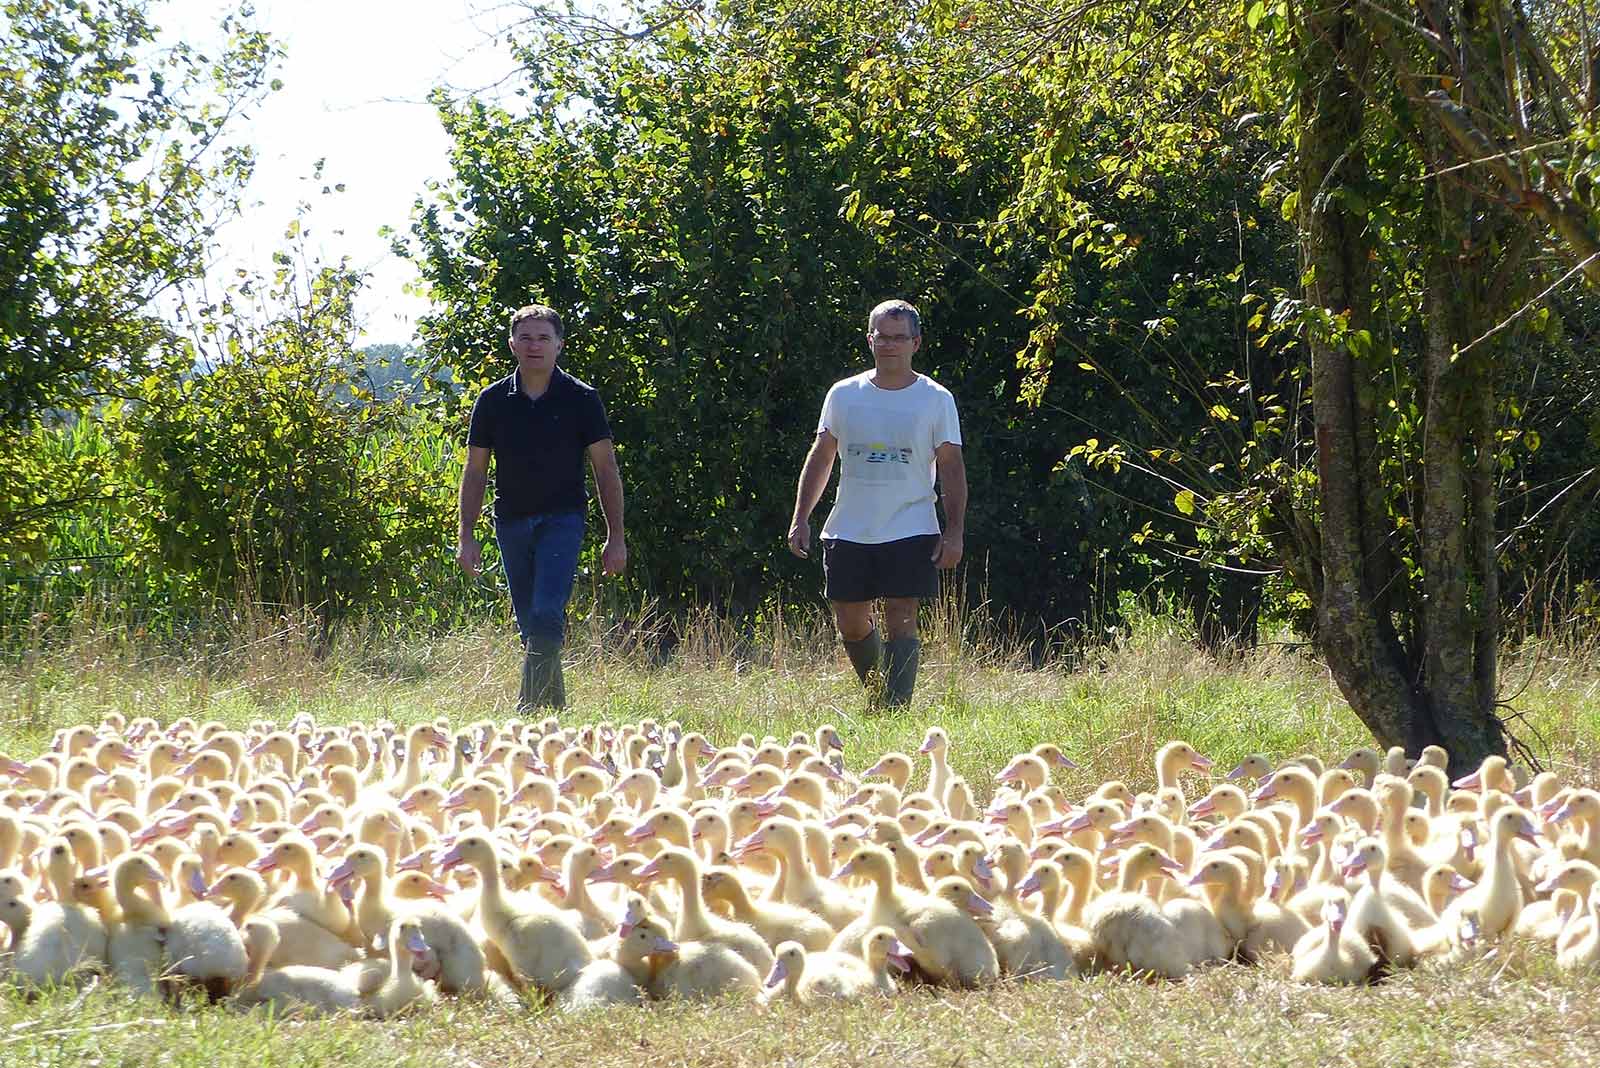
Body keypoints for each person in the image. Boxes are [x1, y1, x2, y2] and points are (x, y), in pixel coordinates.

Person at [787, 299, 966, 707]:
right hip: (849, 526)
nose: (889, 345)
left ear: (916, 343)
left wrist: (954, 532)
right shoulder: (844, 394)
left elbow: (952, 468)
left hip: (912, 524)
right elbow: (821, 456)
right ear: (870, 340)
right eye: (881, 337)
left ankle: (894, 707)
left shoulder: (936, 399)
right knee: (850, 621)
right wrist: (801, 517)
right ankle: (877, 692)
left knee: (902, 615)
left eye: (898, 338)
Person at [457, 304, 626, 709]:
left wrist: (615, 536)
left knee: (548, 610)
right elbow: (476, 471)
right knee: (530, 622)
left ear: (559, 346)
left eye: (544, 338)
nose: (535, 346)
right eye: (527, 338)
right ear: (513, 344)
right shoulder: (492, 401)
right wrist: (466, 533)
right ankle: (554, 711)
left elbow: (605, 468)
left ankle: (527, 708)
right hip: (511, 520)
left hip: (563, 518)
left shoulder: (581, 399)